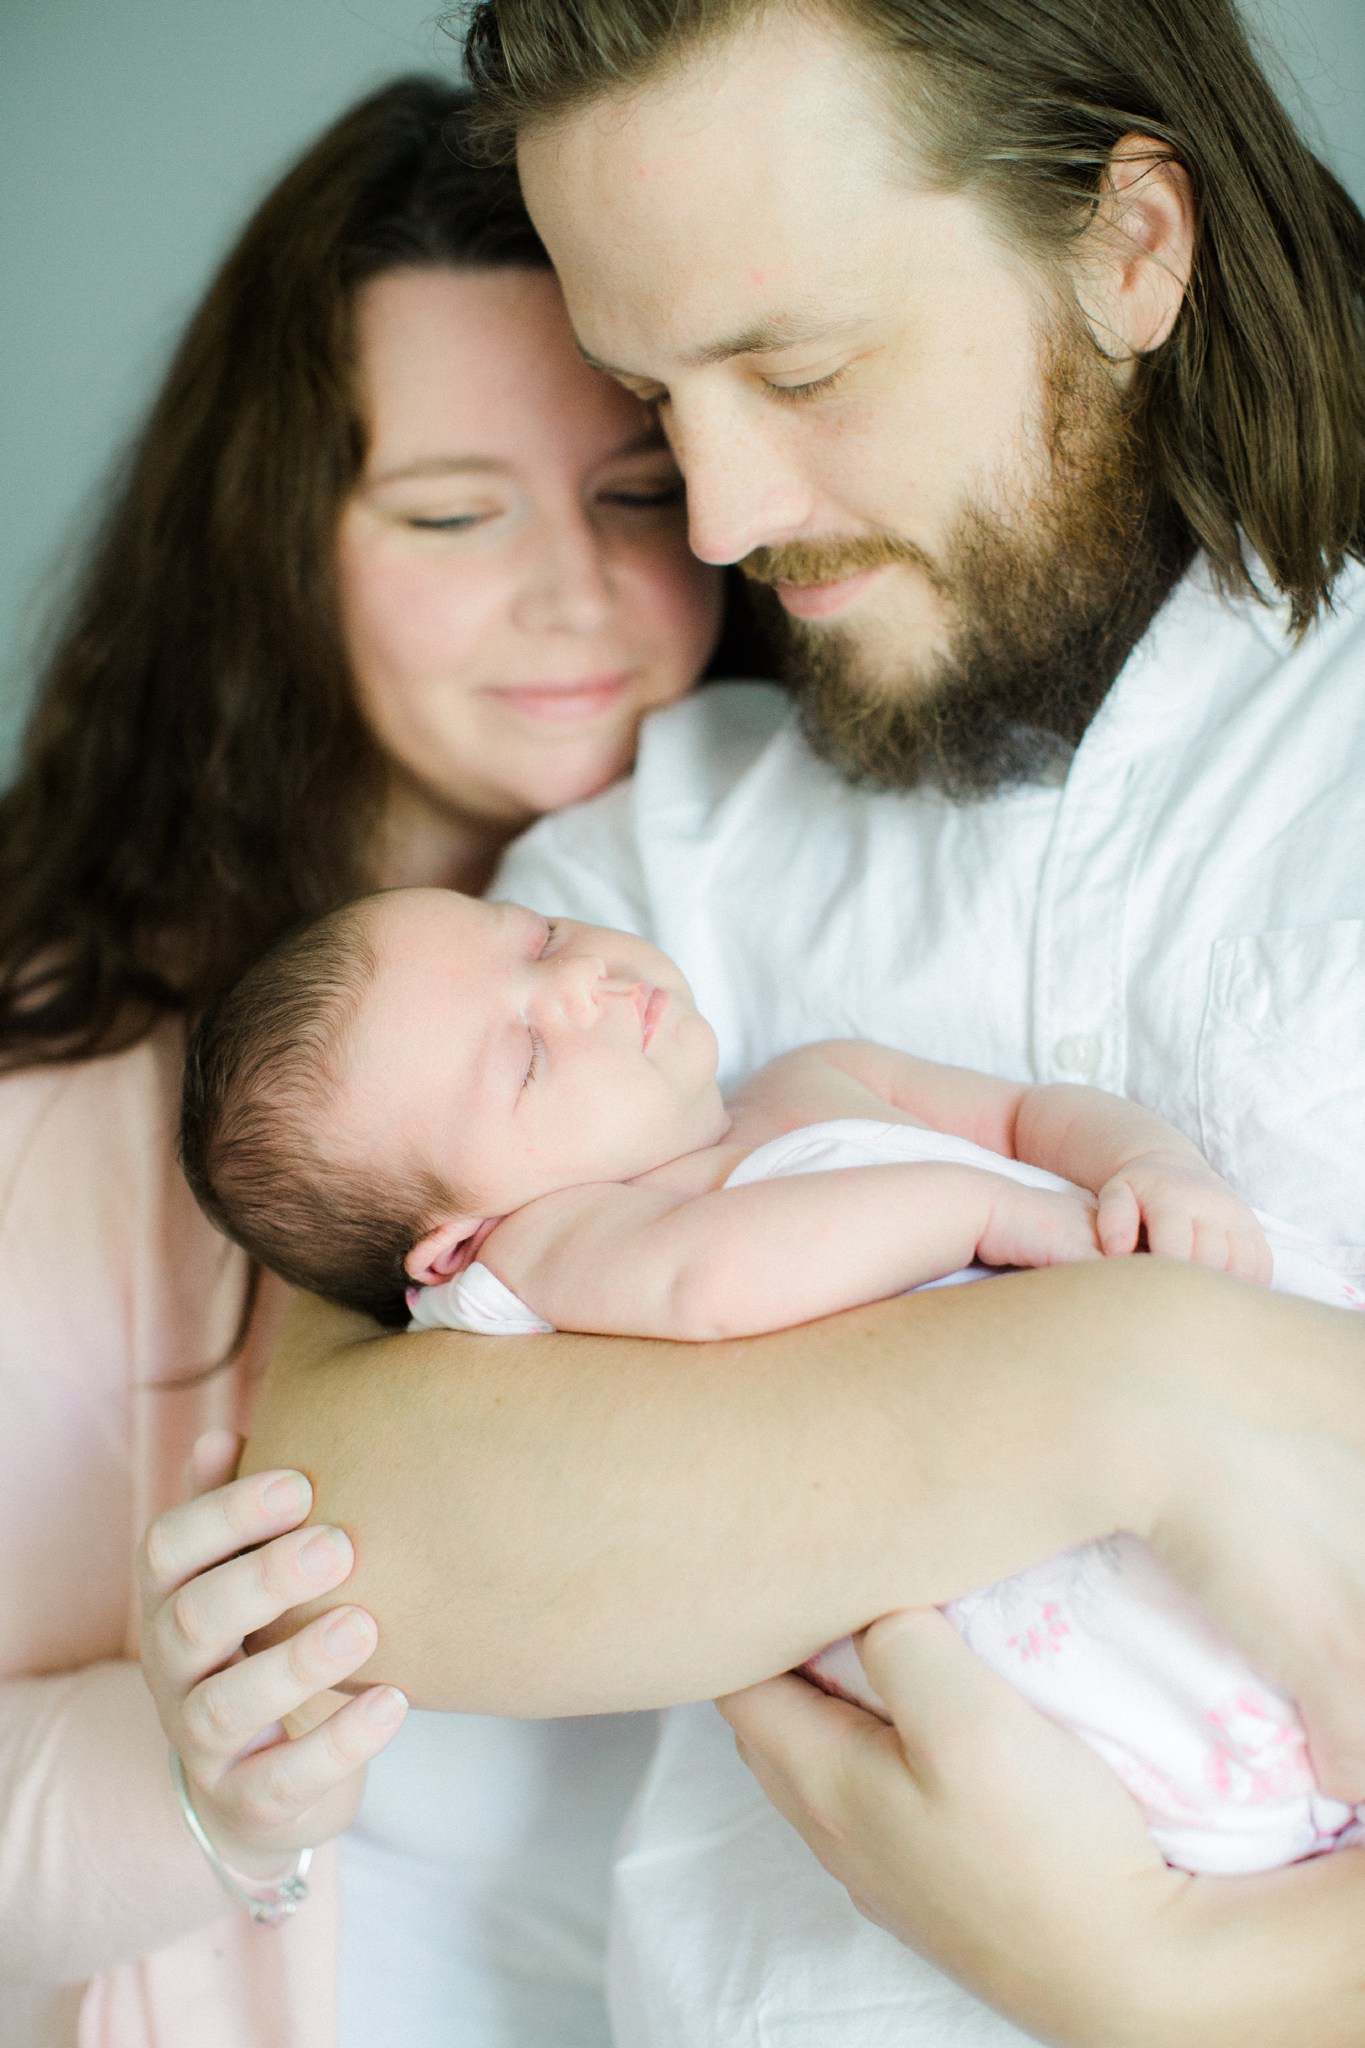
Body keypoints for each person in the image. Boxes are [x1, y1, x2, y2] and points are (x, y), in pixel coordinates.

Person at [235, 0, 1365, 2042]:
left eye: (800, 368)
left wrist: (1195, 1983)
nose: (727, 519)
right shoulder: (659, 854)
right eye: (663, 400)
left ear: (1131, 245)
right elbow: (363, 1513)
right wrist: (1138, 1381)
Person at [0, 73, 725, 2048]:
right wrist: (191, 1783)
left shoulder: (798, 954)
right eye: (448, 510)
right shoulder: (50, 1091)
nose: (570, 591)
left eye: (639, 493)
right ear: (276, 541)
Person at [186, 881, 1365, 1879]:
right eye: (530, 1056)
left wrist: (1152, 1164)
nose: (579, 983)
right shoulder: (558, 1242)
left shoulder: (819, 1073)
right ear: (454, 1244)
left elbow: (1023, 1110)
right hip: (1055, 1576)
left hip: (1237, 1394)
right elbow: (715, 1284)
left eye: (536, 935)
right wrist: (991, 1209)